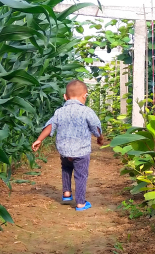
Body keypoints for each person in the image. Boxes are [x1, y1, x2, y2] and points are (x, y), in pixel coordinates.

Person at [31, 79, 105, 211]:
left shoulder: (59, 112)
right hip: (81, 151)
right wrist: (99, 137)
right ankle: (81, 203)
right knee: (81, 175)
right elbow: (95, 126)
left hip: (64, 150)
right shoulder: (87, 111)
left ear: (65, 97)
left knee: (66, 168)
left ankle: (66, 193)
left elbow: (50, 125)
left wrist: (39, 139)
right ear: (85, 96)